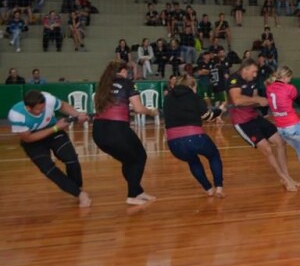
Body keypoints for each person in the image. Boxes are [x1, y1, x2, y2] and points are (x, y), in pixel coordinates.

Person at [8, 90, 91, 207]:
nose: (42, 111)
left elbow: (62, 105)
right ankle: (79, 194)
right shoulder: (17, 115)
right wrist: (56, 128)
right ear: (28, 108)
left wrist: (77, 114)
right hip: (34, 139)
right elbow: (28, 138)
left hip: (53, 131)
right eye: (38, 110)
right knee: (48, 169)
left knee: (71, 159)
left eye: (43, 108)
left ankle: (78, 189)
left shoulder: (48, 99)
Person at [92, 61, 159, 205]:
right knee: (139, 157)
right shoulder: (127, 83)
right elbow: (139, 108)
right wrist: (152, 112)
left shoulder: (103, 85)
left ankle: (137, 191)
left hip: (98, 131)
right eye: (127, 71)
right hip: (117, 129)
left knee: (129, 160)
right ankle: (132, 195)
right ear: (122, 71)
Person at [227, 59, 299, 190]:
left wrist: (262, 102)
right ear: (246, 69)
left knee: (280, 142)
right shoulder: (234, 79)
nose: (255, 75)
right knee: (267, 149)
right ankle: (283, 178)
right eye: (253, 71)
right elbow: (237, 100)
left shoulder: (252, 80)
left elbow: (253, 101)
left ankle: (287, 176)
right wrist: (257, 99)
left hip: (254, 116)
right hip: (242, 122)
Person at [163, 74, 226, 197]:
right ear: (192, 86)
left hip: (173, 143)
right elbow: (207, 117)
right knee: (213, 156)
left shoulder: (168, 98)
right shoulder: (194, 96)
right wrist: (220, 110)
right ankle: (218, 187)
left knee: (192, 161)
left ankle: (208, 189)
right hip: (194, 137)